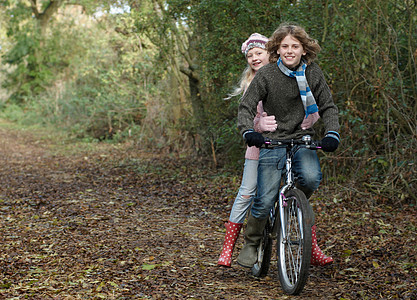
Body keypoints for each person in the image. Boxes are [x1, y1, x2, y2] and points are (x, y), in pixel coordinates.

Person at [237, 23, 340, 268]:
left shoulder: (313, 73)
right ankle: (252, 242)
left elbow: (328, 106)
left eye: (295, 46)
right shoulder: (267, 74)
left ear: (304, 49)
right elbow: (246, 107)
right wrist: (249, 131)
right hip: (273, 142)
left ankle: (293, 206)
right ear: (277, 49)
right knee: (263, 199)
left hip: (302, 138)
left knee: (311, 178)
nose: (290, 51)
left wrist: (332, 133)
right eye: (285, 46)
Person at [218, 33, 277, 267]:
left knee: (296, 189)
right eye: (250, 55)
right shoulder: (249, 85)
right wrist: (257, 126)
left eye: (258, 53)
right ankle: (228, 248)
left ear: (269, 54)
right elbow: (246, 117)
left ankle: (310, 247)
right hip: (257, 148)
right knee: (247, 192)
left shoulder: (282, 77)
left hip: (284, 145)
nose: (254, 58)